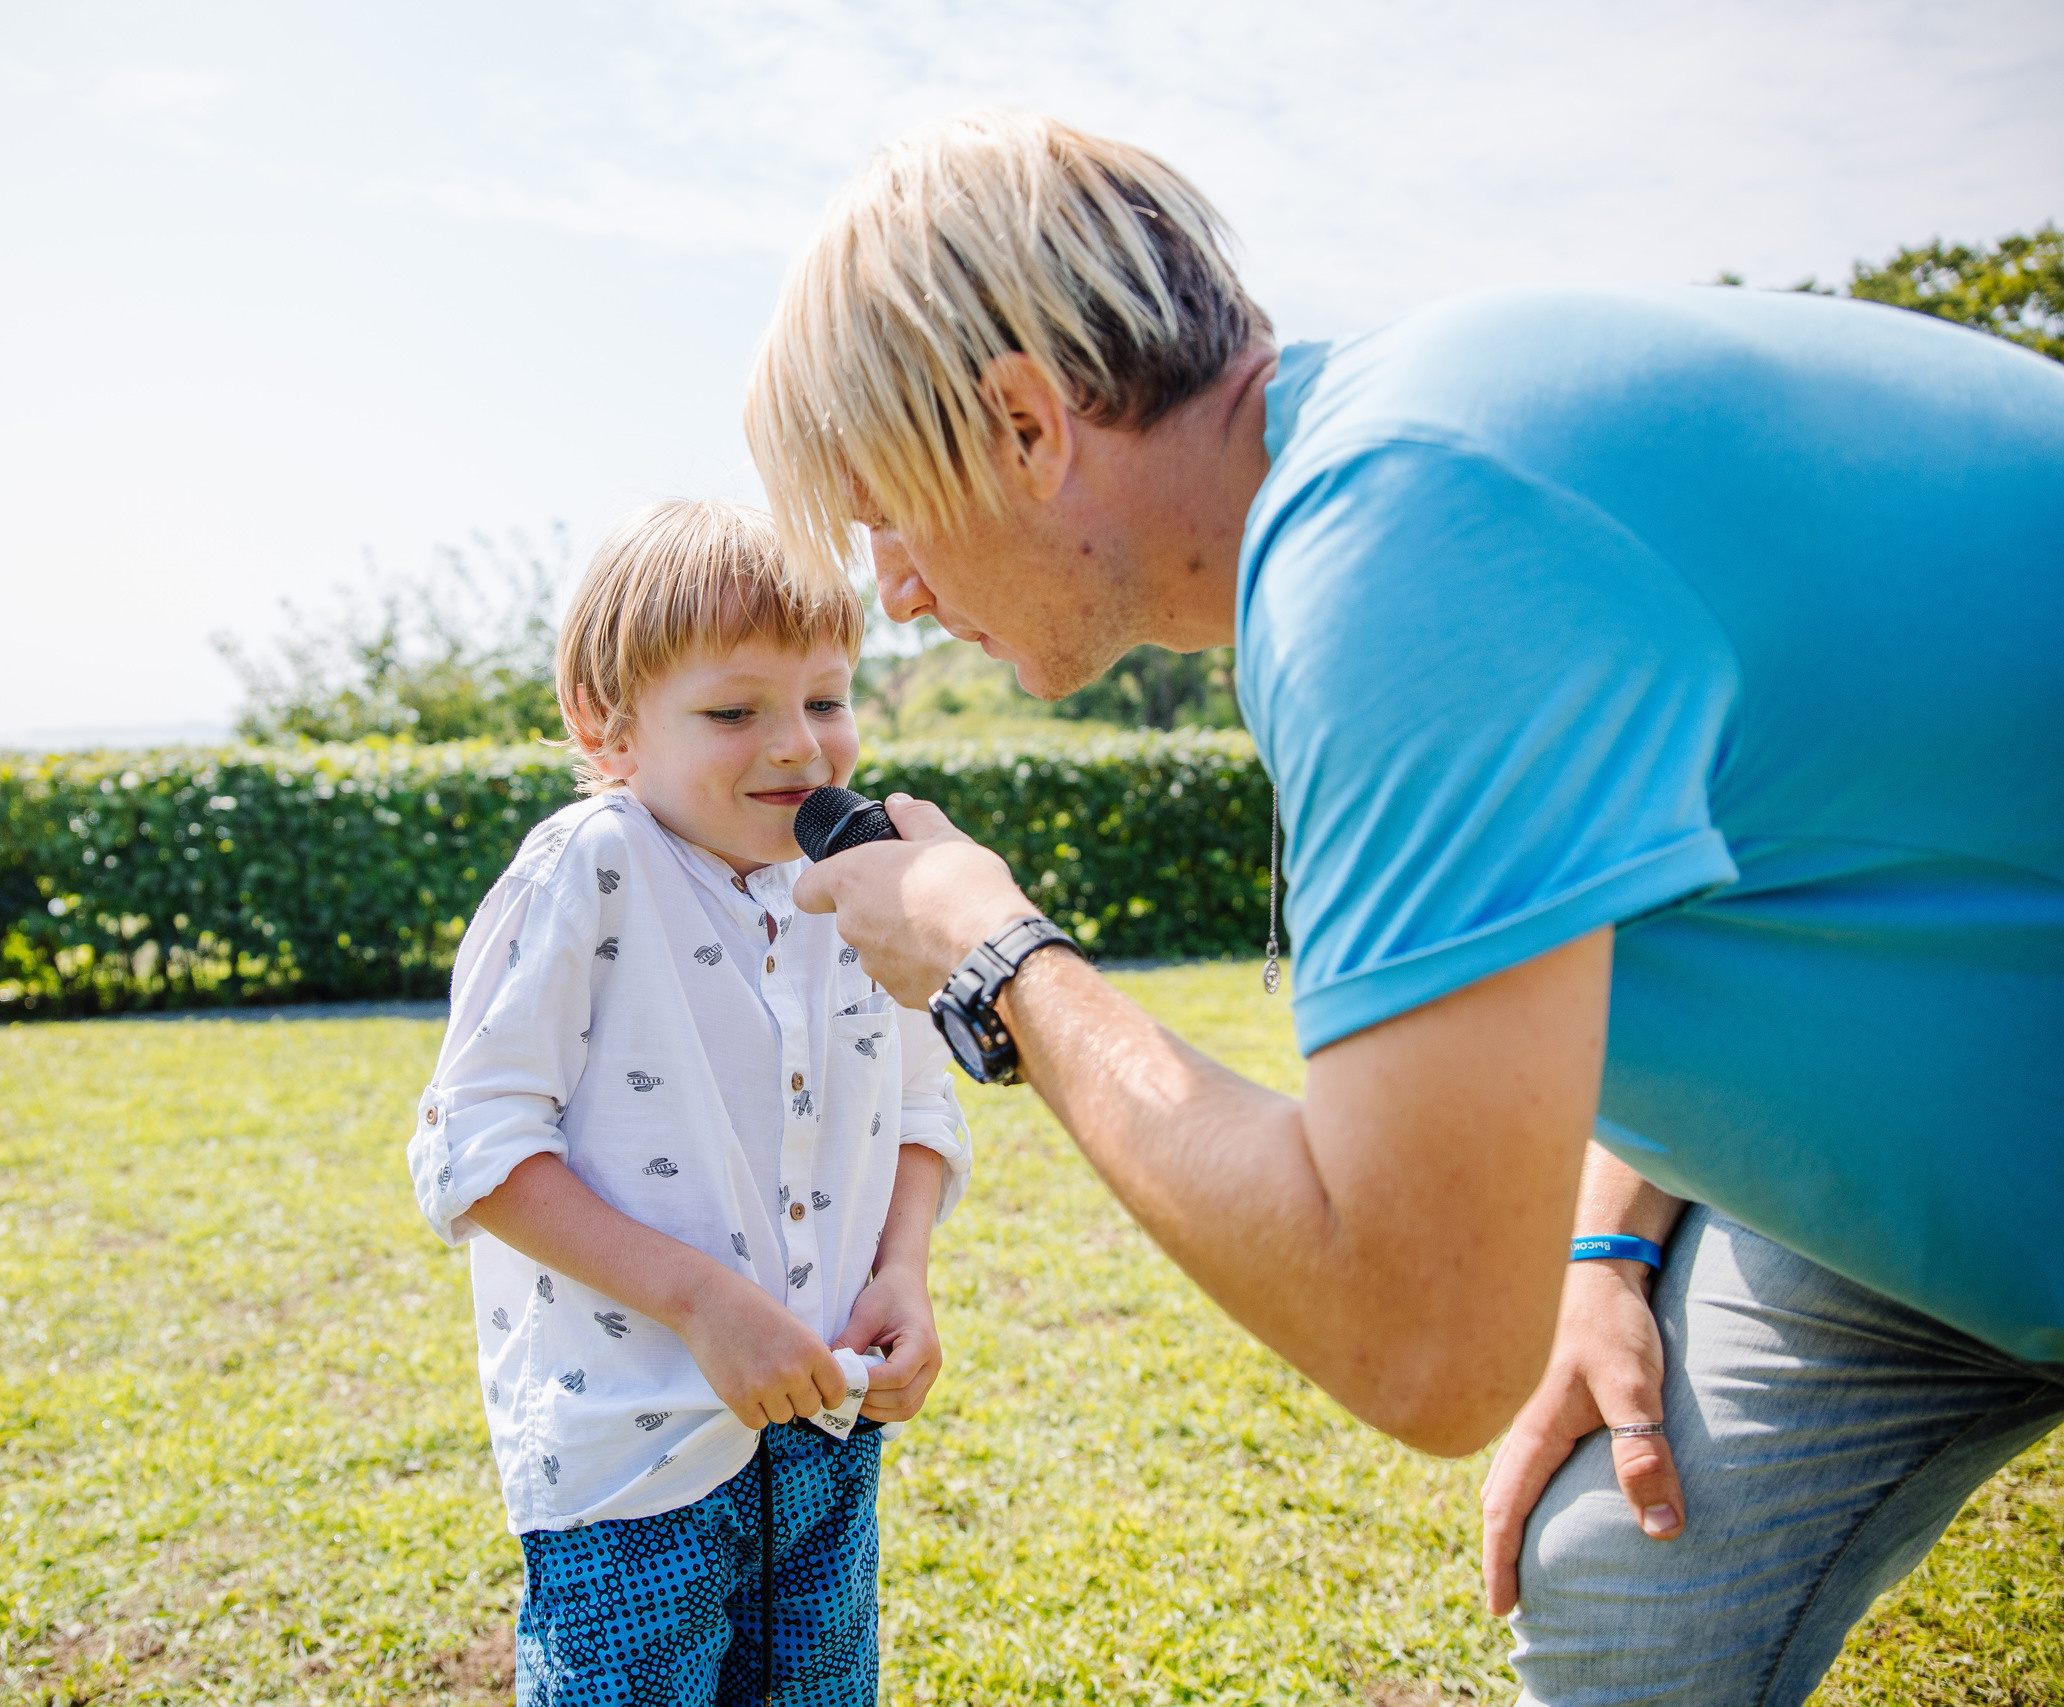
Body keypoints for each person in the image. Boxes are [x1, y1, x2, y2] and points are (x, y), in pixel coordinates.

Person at [743, 110, 2064, 1705]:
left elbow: (1424, 1342)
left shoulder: (1401, 547)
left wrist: (996, 954)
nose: (890, 586)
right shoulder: (1405, 473)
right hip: (1915, 1174)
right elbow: (1716, 882)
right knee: (1619, 1596)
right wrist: (1607, 1239)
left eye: (885, 509)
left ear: (1027, 424)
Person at [406, 498, 971, 1707]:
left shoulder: (859, 882)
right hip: (635, 1453)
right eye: (733, 712)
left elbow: (921, 1107)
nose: (799, 747)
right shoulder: (591, 867)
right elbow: (475, 1148)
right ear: (606, 728)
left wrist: (905, 1273)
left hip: (830, 1421)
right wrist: (703, 1304)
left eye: (826, 699)